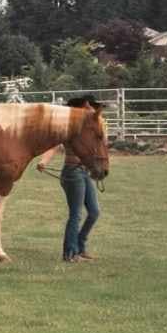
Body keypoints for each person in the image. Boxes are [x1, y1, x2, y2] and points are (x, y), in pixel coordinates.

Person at [36, 96, 102, 263]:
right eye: (86, 107)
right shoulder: (69, 127)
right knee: (76, 214)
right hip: (72, 173)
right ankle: (70, 253)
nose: (90, 110)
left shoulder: (87, 127)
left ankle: (79, 245)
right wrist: (44, 161)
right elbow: (54, 146)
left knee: (94, 212)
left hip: (84, 172)